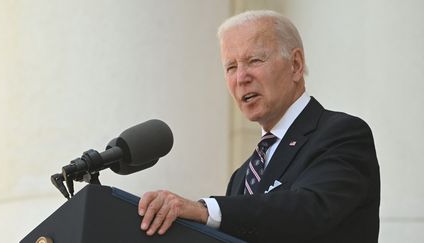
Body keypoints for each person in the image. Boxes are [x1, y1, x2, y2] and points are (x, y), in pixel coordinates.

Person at [138, 10, 380, 243]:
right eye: (231, 67)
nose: (241, 78)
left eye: (254, 60)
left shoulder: (343, 134)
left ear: (295, 65)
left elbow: (308, 209)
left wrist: (205, 209)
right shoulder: (242, 177)